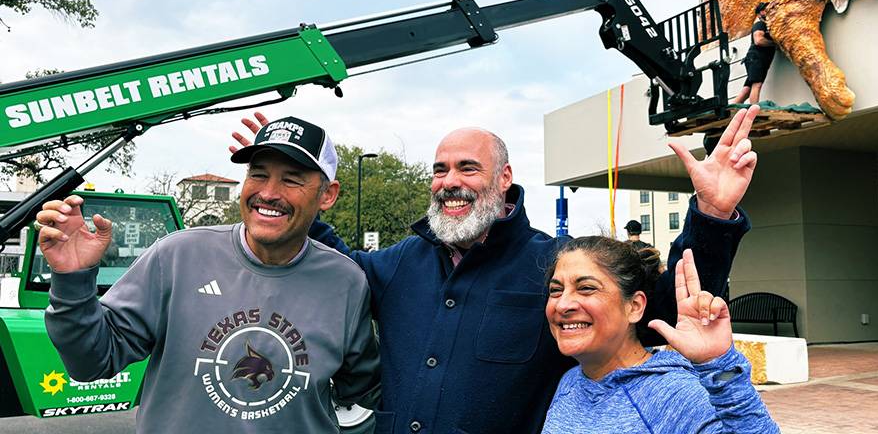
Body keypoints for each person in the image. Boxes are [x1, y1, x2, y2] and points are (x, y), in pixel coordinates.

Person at [231, 105, 762, 434]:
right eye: (439, 170)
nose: (449, 181)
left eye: (468, 167)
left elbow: (669, 309)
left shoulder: (553, 266)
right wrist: (290, 186)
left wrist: (712, 216)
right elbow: (334, 262)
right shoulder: (399, 263)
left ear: (504, 177)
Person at [38, 116, 380, 433]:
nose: (269, 193)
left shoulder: (346, 282)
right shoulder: (177, 256)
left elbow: (367, 391)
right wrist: (73, 281)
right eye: (258, 174)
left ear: (327, 195)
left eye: (291, 179)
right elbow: (91, 362)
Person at [543, 238, 779, 433]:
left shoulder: (674, 394)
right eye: (556, 290)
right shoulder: (572, 381)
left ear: (634, 306)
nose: (563, 304)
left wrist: (718, 364)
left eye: (586, 288)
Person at [733, 2, 777, 106]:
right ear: (759, 14)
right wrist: (774, 43)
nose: (767, 12)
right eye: (764, 10)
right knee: (757, 84)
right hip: (756, 59)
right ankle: (755, 110)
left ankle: (731, 109)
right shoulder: (760, 24)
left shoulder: (766, 26)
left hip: (756, 60)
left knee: (747, 90)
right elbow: (758, 40)